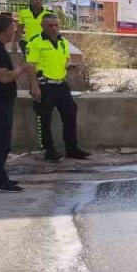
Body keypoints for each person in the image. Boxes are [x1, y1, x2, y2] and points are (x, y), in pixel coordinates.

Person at [0, 14, 37, 193]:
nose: (15, 32)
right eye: (13, 28)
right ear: (6, 30)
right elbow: (4, 77)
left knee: (0, 141)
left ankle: (0, 176)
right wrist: (22, 68)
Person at [26, 14, 89, 162]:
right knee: (44, 118)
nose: (54, 29)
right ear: (43, 26)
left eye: (56, 25)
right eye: (50, 25)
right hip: (44, 85)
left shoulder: (63, 42)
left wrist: (69, 66)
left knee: (70, 113)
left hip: (61, 84)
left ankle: (71, 148)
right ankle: (49, 150)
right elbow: (30, 66)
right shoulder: (35, 42)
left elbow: (64, 60)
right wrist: (34, 86)